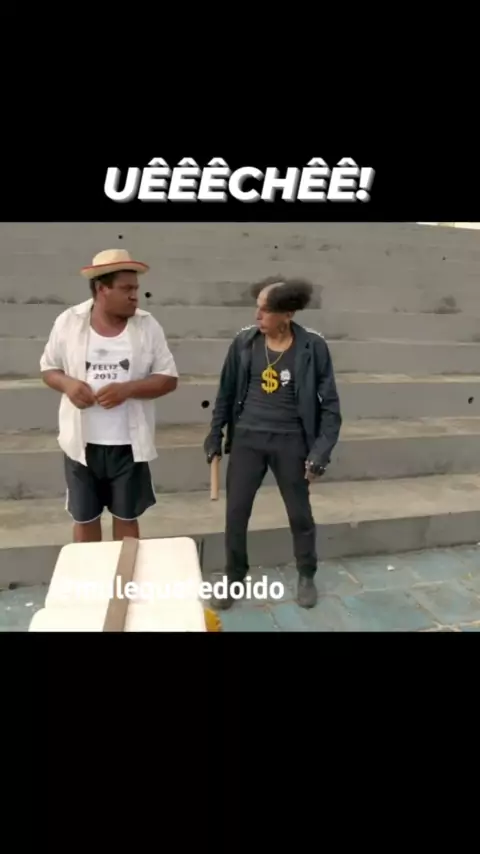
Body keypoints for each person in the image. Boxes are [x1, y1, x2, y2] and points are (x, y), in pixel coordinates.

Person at [204, 276, 342, 609]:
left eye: (266, 310)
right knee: (236, 514)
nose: (258, 316)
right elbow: (225, 393)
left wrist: (320, 452)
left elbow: (330, 407)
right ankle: (234, 577)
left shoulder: (312, 347)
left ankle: (306, 573)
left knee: (299, 513)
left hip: (291, 442)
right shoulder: (244, 343)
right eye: (258, 308)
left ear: (288, 313)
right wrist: (215, 432)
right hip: (247, 440)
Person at [40, 248, 178, 543]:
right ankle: (90, 574)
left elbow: (168, 379)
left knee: (127, 518)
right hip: (81, 445)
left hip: (128, 445)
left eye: (136, 289)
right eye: (126, 289)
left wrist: (128, 389)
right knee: (84, 519)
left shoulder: (147, 325)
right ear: (102, 289)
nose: (135, 296)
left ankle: (124, 573)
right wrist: (67, 384)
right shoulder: (69, 321)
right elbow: (48, 368)